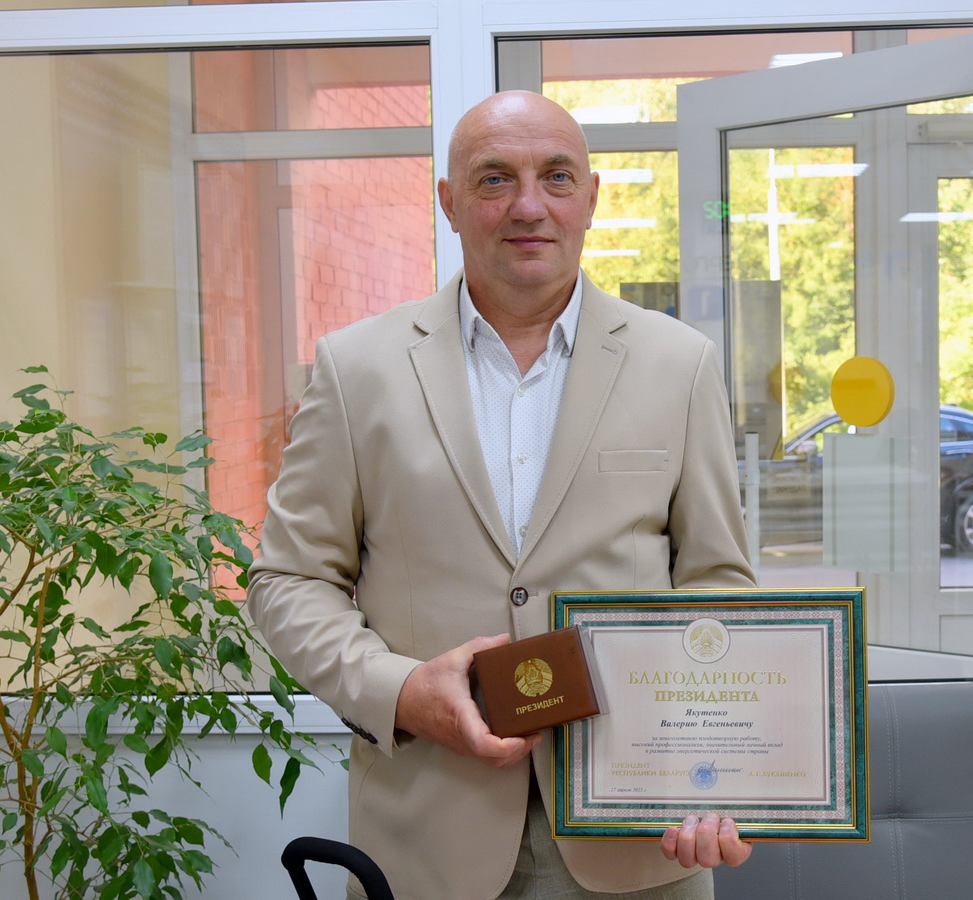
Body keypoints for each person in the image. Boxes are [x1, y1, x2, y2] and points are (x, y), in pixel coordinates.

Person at [248, 90, 756, 900]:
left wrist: (719, 765)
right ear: (448, 202)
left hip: (638, 836)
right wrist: (400, 692)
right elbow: (288, 578)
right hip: (426, 846)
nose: (528, 205)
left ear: (592, 197)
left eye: (557, 176)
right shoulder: (356, 369)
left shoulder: (680, 364)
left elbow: (717, 586)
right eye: (494, 179)